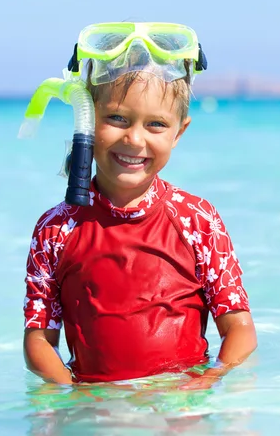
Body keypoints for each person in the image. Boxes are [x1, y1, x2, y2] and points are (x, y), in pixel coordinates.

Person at [22, 22, 257, 389]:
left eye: (156, 125)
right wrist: (75, 396)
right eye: (116, 118)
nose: (134, 139)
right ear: (86, 118)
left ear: (179, 132)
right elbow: (38, 340)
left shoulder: (197, 220)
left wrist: (208, 380)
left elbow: (240, 327)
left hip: (178, 403)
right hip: (95, 407)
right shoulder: (56, 229)